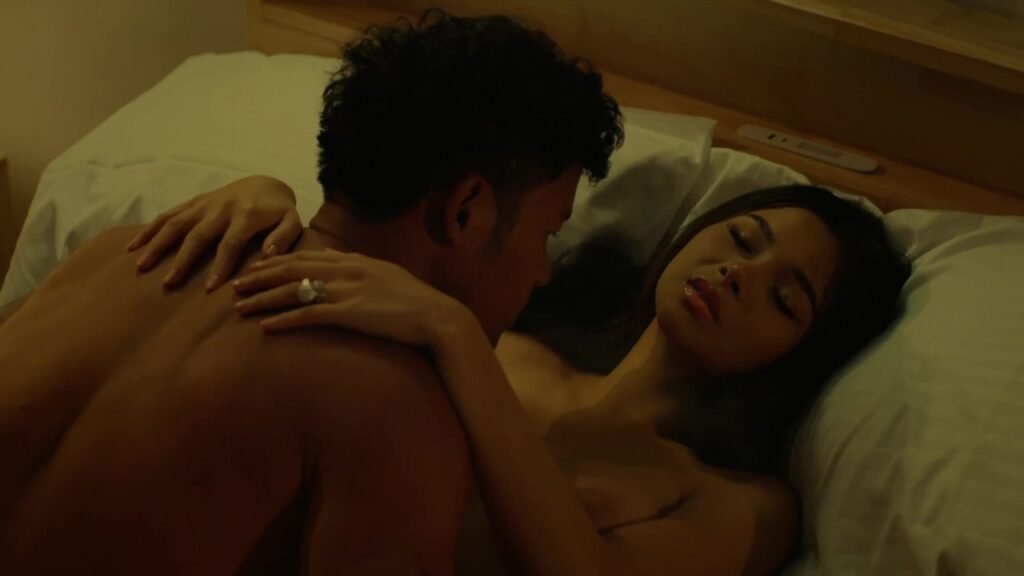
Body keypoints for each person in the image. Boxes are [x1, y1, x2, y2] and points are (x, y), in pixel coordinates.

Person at [0, 11, 622, 575]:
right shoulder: (390, 402)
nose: (543, 272)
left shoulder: (118, 254)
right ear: (467, 211)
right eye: (547, 232)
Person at [129, 176, 911, 575]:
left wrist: (457, 341)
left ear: (801, 353)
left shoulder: (740, 500)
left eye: (784, 297)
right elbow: (342, 285)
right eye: (742, 239)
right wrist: (267, 197)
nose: (740, 274)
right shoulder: (513, 328)